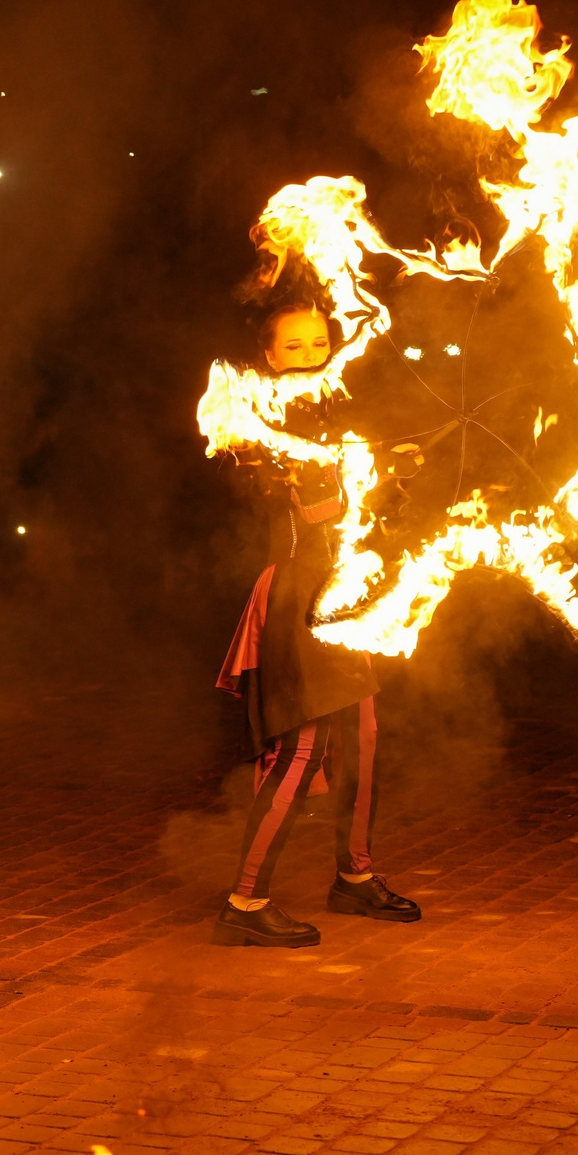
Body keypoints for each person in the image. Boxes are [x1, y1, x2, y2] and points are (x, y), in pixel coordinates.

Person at [213, 298, 421, 947]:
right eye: (294, 345)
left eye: (318, 342)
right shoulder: (253, 419)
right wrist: (363, 484)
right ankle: (246, 902)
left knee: (361, 737)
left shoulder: (333, 411)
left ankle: (354, 878)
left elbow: (355, 510)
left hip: (340, 593)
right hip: (299, 598)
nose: (309, 354)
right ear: (269, 356)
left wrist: (392, 482)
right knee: (301, 749)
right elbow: (301, 514)